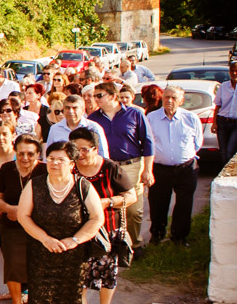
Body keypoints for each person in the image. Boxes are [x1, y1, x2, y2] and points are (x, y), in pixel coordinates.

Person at [17, 141, 106, 304]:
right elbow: (23, 216)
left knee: (72, 296)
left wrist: (75, 240)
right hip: (40, 249)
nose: (54, 163)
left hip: (73, 253)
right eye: (51, 158)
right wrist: (45, 238)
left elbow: (97, 218)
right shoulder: (35, 184)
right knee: (40, 296)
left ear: (72, 164)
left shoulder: (82, 185)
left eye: (61, 159)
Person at [70, 128, 136, 304]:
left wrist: (107, 202)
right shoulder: (70, 169)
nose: (79, 154)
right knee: (79, 270)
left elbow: (131, 196)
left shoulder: (110, 168)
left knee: (108, 272)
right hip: (77, 230)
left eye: (84, 149)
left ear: (95, 149)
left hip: (106, 231)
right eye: (75, 149)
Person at [89, 80, 154, 256]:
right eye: (95, 96)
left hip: (131, 165)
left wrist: (148, 169)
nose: (96, 99)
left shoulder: (135, 114)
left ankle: (134, 245)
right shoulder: (93, 119)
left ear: (112, 96)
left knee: (133, 209)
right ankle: (110, 244)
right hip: (105, 167)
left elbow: (148, 142)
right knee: (109, 207)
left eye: (99, 95)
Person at [145, 86, 203, 247]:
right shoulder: (152, 118)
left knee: (184, 203)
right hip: (160, 168)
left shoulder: (191, 118)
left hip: (186, 168)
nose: (169, 101)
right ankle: (157, 234)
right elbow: (148, 143)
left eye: (174, 98)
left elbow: (197, 143)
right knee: (158, 203)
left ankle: (179, 237)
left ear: (181, 100)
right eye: (166, 97)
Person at [0, 136, 43, 304]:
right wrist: (9, 209)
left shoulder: (45, 170)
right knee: (13, 265)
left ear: (38, 154)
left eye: (30, 154)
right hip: (11, 224)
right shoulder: (7, 169)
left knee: (36, 266)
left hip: (38, 226)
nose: (25, 158)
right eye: (21, 153)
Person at [216, 61, 237, 164]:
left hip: (235, 124)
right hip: (222, 122)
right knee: (223, 152)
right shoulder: (224, 86)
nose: (234, 73)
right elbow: (218, 105)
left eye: (236, 71)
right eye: (232, 71)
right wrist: (214, 123)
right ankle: (225, 173)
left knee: (230, 151)